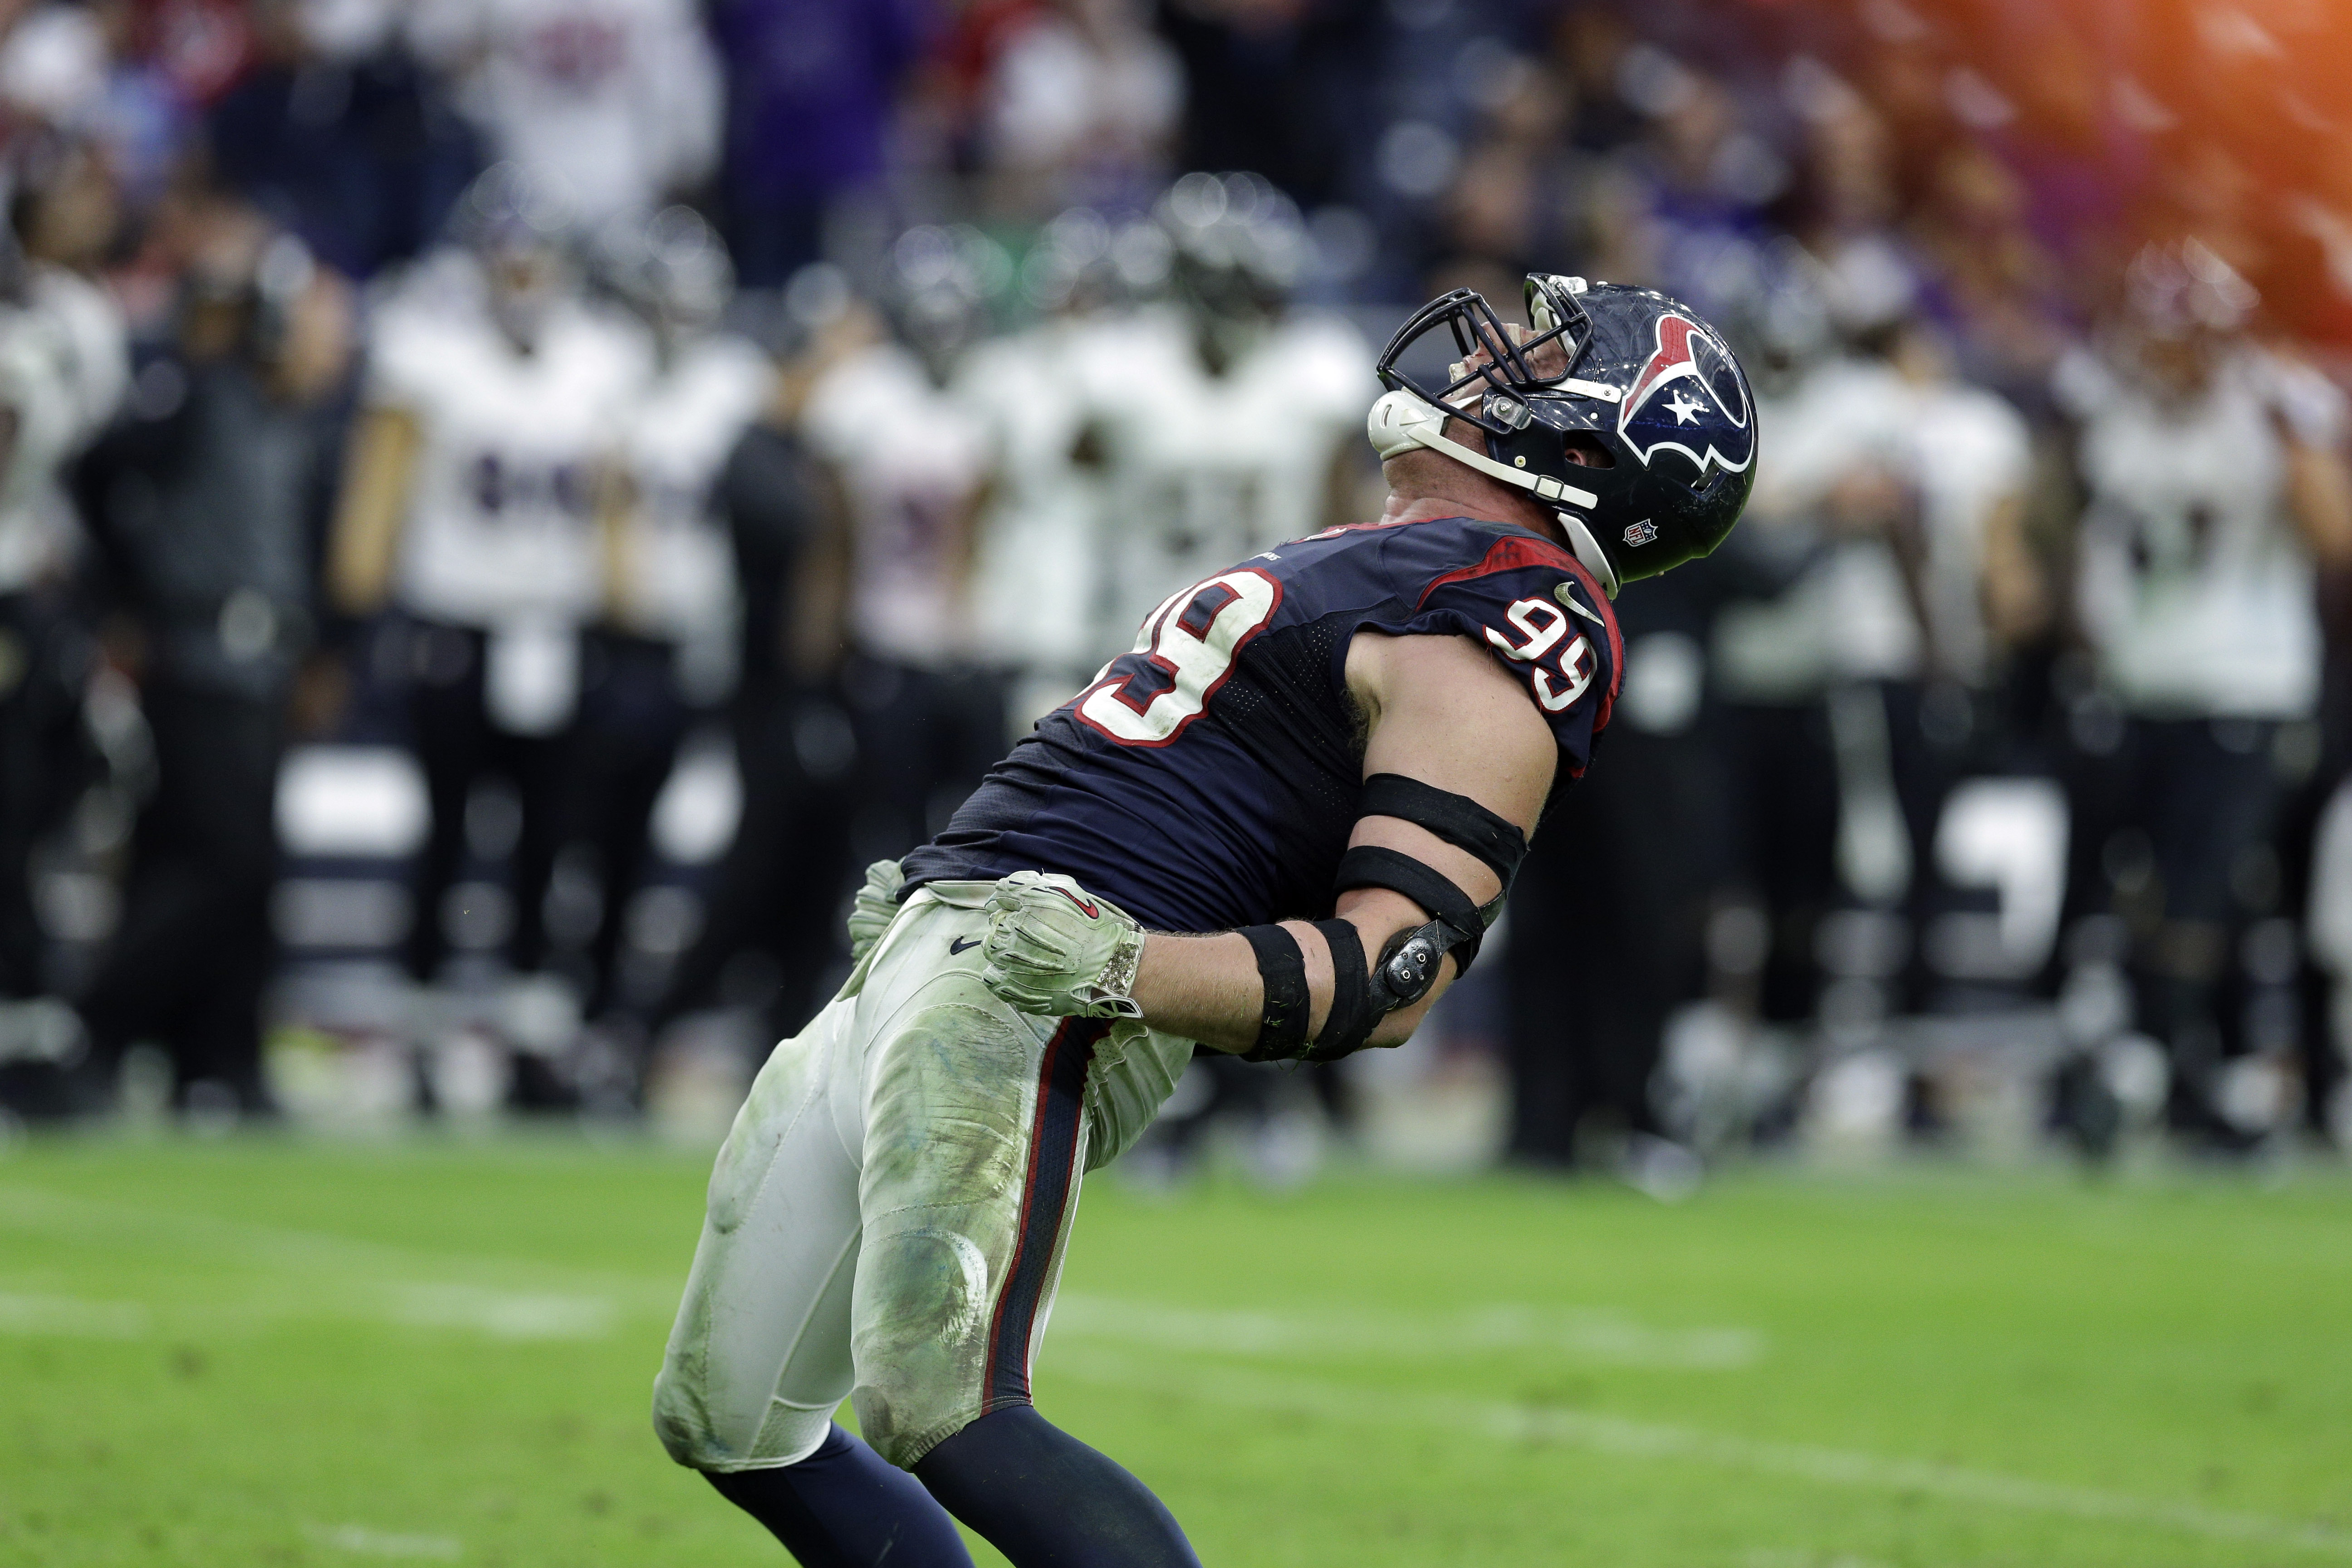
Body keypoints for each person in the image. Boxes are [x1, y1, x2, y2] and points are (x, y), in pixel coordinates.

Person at [649, 272, 1757, 1565]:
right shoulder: (1390, 555)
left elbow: (1389, 974)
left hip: (1045, 985)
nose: (1491, 356)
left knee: (944, 1406)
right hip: (947, 945)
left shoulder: (1512, 610)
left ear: (1588, 445)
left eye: (1542, 357)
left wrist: (1122, 968)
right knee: (723, 1420)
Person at [325, 162, 647, 1083]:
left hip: (554, 626)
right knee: (448, 824)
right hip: (454, 623)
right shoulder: (428, 350)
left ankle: (531, 1023)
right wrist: (358, 592)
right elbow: (377, 491)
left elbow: (616, 502)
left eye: (534, 262)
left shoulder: (599, 358)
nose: (521, 280)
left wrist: (627, 599)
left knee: (549, 829)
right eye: (507, 262)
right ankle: (422, 1015)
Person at [73, 207, 350, 1116]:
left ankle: (215, 1053)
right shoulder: (194, 393)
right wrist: (131, 598)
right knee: (225, 862)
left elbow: (298, 550)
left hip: (264, 661)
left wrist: (316, 650)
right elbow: (100, 473)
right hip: (197, 654)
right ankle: (98, 1023)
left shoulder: (287, 419)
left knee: (216, 863)